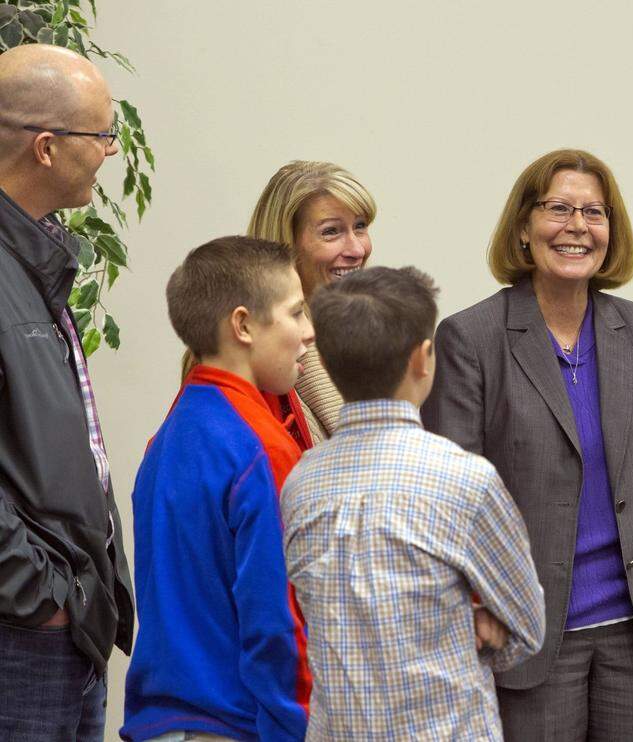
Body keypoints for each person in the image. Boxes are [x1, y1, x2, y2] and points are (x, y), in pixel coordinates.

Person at [422, 148, 633, 741]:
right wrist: (470, 623)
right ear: (525, 227)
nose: (578, 227)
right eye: (559, 209)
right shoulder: (470, 338)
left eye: (595, 212)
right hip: (527, 638)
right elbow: (450, 508)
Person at [281, 266, 545, 740]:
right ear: (424, 358)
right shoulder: (465, 479)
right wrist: (471, 632)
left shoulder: (301, 482)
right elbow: (526, 627)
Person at [121, 237, 313, 741]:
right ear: (244, 325)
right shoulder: (262, 448)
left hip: (164, 722)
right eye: (296, 313)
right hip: (234, 722)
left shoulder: (169, 433)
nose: (309, 333)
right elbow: (278, 619)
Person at [0, 44, 134, 741]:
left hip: (63, 628)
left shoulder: (33, 258)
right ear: (47, 148)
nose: (111, 151)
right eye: (102, 135)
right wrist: (37, 596)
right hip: (23, 633)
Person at [180, 160, 376, 442]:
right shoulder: (239, 352)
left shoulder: (368, 340)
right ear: (287, 245)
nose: (357, 249)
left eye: (360, 226)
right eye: (331, 231)